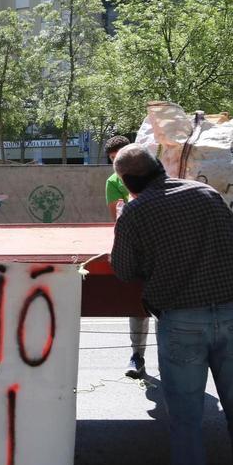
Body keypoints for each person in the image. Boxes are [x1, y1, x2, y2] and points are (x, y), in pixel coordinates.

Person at [109, 144, 233, 465]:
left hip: (181, 319)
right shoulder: (206, 193)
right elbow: (231, 240)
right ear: (159, 168)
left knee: (186, 420)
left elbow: (122, 270)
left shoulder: (135, 213)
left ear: (128, 182)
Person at [103, 135, 151, 379]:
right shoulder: (113, 183)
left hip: (160, 245)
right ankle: (137, 355)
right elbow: (120, 224)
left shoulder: (153, 175)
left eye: (121, 158)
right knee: (138, 305)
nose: (119, 166)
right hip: (139, 249)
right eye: (113, 161)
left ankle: (173, 358)